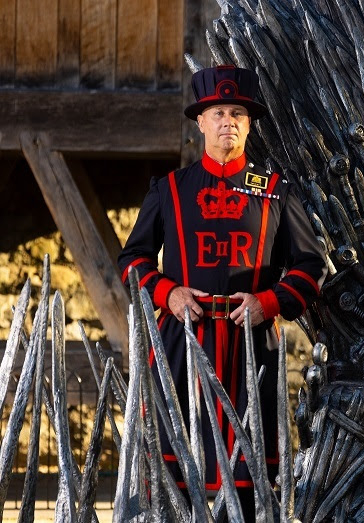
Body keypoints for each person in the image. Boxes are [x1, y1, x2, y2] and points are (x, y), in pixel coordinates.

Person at [118, 65, 327, 520]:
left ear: (249, 123)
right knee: (173, 479)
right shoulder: (169, 190)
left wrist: (268, 302)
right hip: (181, 344)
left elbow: (312, 266)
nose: (227, 121)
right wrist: (168, 294)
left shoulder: (274, 193)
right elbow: (131, 261)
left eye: (237, 112)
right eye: (218, 112)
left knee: (248, 483)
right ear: (201, 122)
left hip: (251, 349)